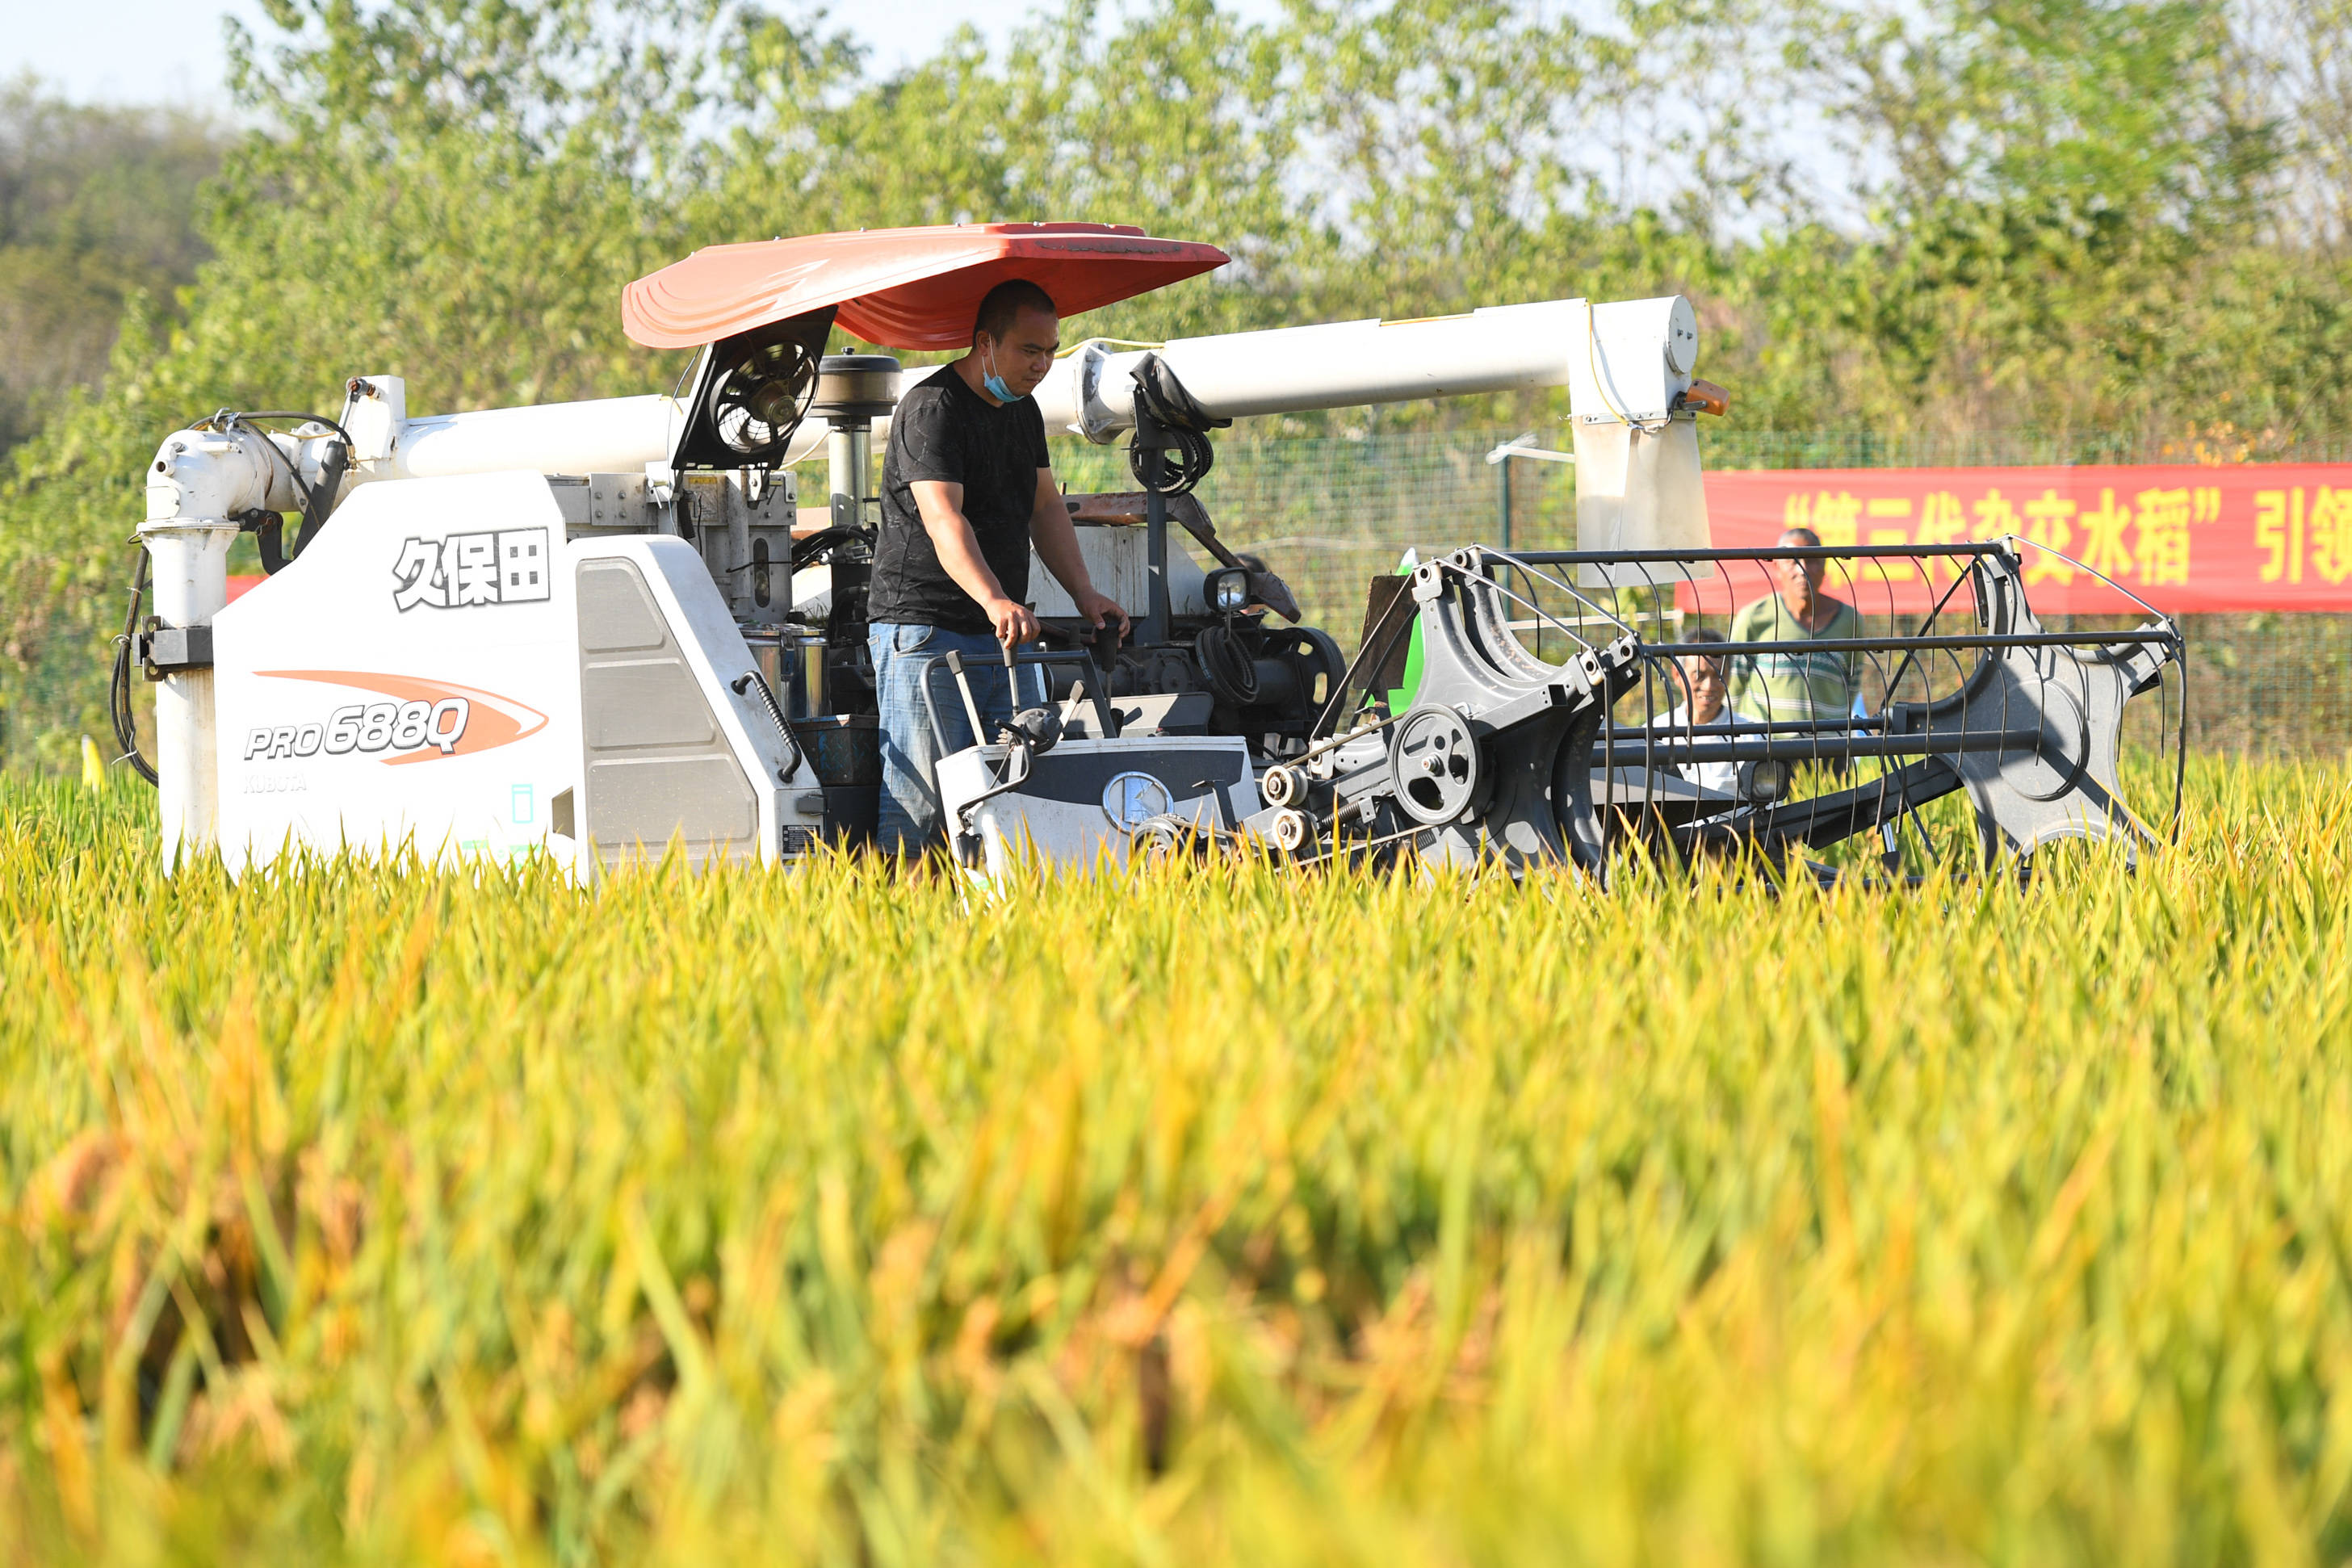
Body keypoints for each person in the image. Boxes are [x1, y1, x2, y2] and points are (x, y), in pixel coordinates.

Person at [866, 279, 1130, 857]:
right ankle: (904, 923)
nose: (1041, 365)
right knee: (925, 796)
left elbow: (1044, 506)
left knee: (1019, 780)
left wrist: (1086, 595)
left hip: (1002, 633)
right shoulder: (933, 408)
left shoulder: (1021, 412)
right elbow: (943, 517)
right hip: (926, 630)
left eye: (1050, 351)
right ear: (985, 343)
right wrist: (993, 599)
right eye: (1028, 350)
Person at [1727, 526, 1865, 727]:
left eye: (1811, 560)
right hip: (1765, 746)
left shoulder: (1850, 621)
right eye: (1792, 561)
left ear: (1824, 565)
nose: (1803, 570)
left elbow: (1852, 685)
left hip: (1830, 744)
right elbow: (1733, 688)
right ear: (1777, 567)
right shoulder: (1754, 617)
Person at [1662, 628, 1758, 799]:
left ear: (1729, 676)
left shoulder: (1753, 737)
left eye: (1718, 675)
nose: (1709, 686)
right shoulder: (1655, 733)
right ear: (1677, 675)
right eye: (1699, 675)